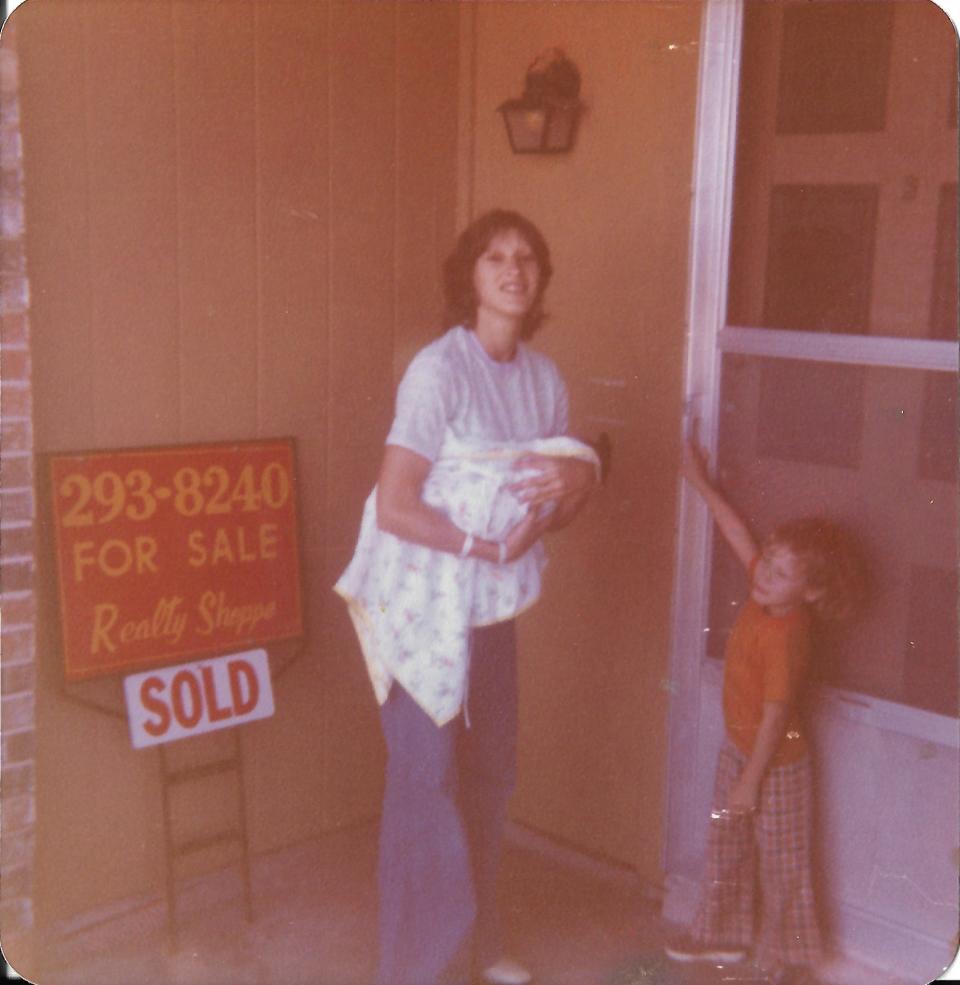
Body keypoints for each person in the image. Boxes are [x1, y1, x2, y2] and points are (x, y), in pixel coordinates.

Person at [335, 209, 598, 985]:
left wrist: (582, 478)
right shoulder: (438, 370)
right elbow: (396, 504)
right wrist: (484, 545)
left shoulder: (544, 379)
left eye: (527, 258)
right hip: (421, 603)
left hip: (486, 608)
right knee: (427, 778)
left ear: (542, 278)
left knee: (491, 772)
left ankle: (482, 942)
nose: (514, 270)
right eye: (495, 258)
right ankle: (414, 966)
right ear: (470, 278)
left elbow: (551, 503)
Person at [666, 440, 866, 985]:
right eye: (768, 564)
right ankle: (722, 935)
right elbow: (737, 534)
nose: (763, 575)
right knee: (725, 843)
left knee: (783, 865)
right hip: (740, 750)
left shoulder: (788, 635)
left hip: (776, 765)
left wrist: (751, 780)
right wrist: (701, 484)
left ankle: (788, 960)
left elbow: (777, 716)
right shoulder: (767, 598)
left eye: (779, 574)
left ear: (811, 592)